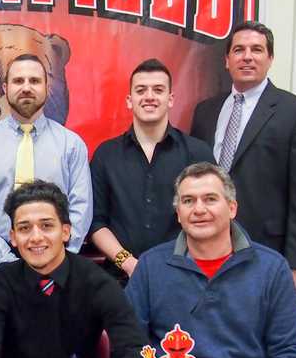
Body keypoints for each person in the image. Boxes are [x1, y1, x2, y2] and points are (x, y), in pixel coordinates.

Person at [0, 181, 152, 358]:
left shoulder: (97, 282)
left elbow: (141, 354)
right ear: (12, 237)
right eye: (24, 228)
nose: (36, 237)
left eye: (46, 226)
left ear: (66, 231)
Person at [126, 162, 296, 358]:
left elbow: (290, 353)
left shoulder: (272, 268)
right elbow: (128, 345)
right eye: (188, 201)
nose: (199, 209)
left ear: (232, 208)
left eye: (210, 199)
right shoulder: (149, 266)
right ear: (178, 214)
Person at [191, 21, 296, 298]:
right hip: (206, 251)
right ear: (226, 60)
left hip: (267, 253)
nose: (247, 56)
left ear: (270, 58)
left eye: (257, 49)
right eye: (239, 50)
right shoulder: (206, 111)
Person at [0, 54, 92, 281]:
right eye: (18, 81)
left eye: (34, 81)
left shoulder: (71, 145)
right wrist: (5, 262)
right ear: (5, 87)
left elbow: (81, 209)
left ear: (46, 87)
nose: (26, 87)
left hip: (56, 263)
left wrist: (58, 259)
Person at [90, 58, 214, 283]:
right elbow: (96, 223)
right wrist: (128, 264)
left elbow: (211, 217)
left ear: (171, 99)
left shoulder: (198, 153)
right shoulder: (105, 155)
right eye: (141, 90)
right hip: (121, 281)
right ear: (130, 100)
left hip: (184, 277)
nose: (149, 96)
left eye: (158, 90)